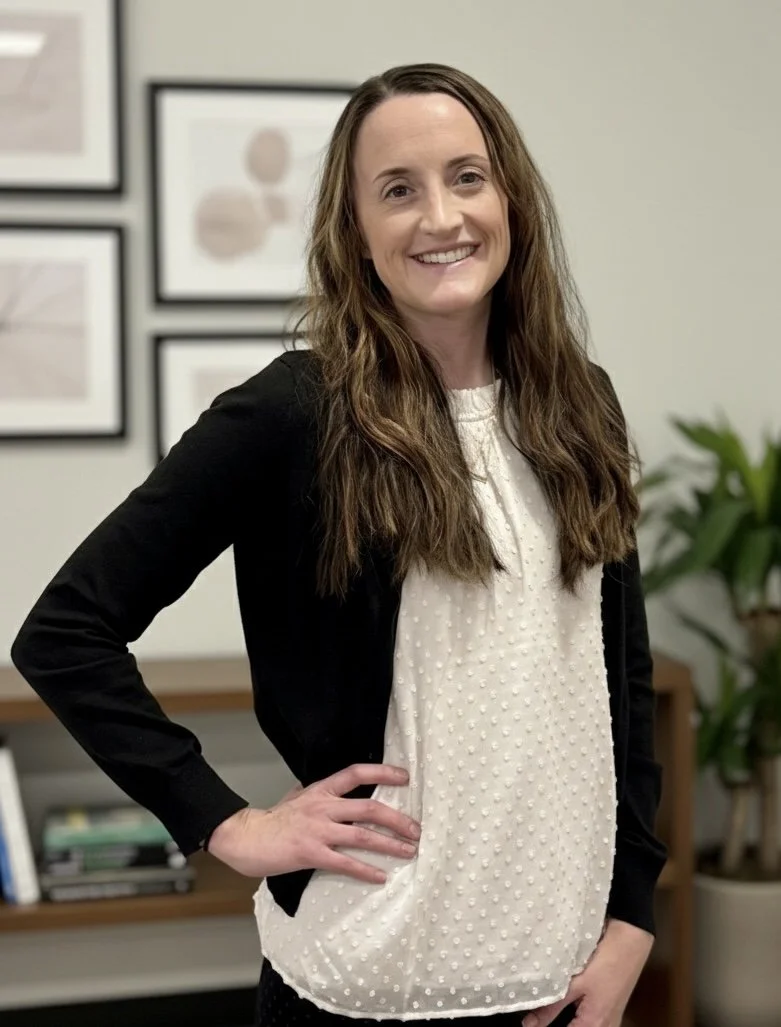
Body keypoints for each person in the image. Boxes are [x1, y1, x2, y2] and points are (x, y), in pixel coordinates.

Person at [10, 63, 667, 1026]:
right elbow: (65, 632)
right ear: (355, 233)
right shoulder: (293, 413)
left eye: (467, 177)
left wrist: (632, 918)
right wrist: (225, 821)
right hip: (365, 980)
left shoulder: (580, 402)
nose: (440, 215)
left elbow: (621, 678)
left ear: (511, 198)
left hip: (564, 979)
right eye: (397, 190)